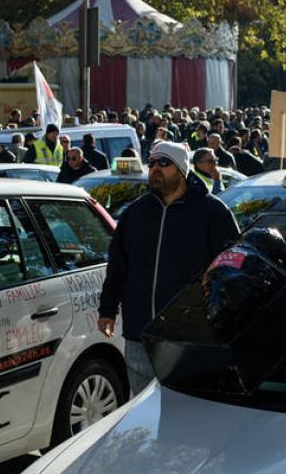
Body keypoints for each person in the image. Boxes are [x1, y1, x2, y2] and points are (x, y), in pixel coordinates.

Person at [98, 141, 240, 394]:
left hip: (186, 339)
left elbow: (230, 269)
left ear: (182, 170)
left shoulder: (212, 212)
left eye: (164, 163)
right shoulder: (135, 214)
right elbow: (118, 265)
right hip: (139, 334)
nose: (155, 169)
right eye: (152, 163)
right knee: (142, 419)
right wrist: (107, 308)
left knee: (183, 413)